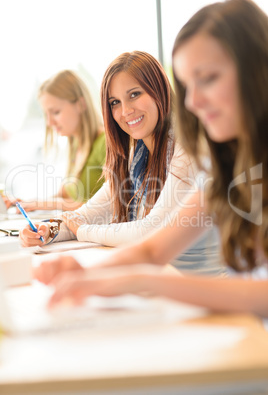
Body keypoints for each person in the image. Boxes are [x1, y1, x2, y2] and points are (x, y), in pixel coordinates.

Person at [32, 0, 268, 318]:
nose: (193, 102)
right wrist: (83, 274)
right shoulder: (222, 163)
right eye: (188, 85)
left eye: (209, 78)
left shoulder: (190, 150)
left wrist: (144, 280)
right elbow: (154, 248)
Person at [20, 51, 225, 276]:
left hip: (201, 290)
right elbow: (86, 214)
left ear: (160, 90)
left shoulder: (188, 148)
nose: (126, 111)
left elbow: (149, 231)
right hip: (159, 284)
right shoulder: (136, 156)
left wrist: (85, 231)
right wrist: (48, 229)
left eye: (135, 94)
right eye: (115, 102)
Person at [6, 70, 106, 211]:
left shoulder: (104, 143)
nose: (49, 122)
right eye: (46, 114)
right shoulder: (75, 143)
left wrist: (40, 204)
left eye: (56, 112)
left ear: (81, 104)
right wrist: (28, 204)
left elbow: (109, 208)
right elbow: (65, 196)